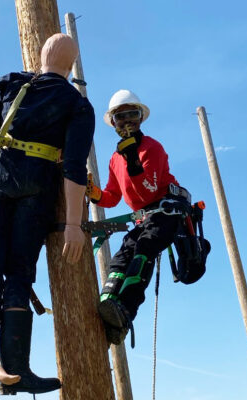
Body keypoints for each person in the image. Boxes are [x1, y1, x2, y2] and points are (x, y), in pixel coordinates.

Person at [0, 33, 95, 394]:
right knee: (19, 272)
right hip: (37, 189)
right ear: (70, 68)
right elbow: (73, 168)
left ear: (40, 57)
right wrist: (72, 224)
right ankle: (18, 368)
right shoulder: (75, 102)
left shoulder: (7, 84)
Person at [86, 89, 191, 346]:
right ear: (113, 123)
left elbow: (150, 189)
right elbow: (113, 196)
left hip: (166, 213)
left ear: (141, 118)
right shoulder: (115, 159)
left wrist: (133, 160)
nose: (127, 121)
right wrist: (94, 193)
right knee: (122, 256)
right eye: (120, 117)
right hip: (145, 219)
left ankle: (125, 312)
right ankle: (109, 304)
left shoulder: (152, 148)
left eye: (132, 114)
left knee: (143, 251)